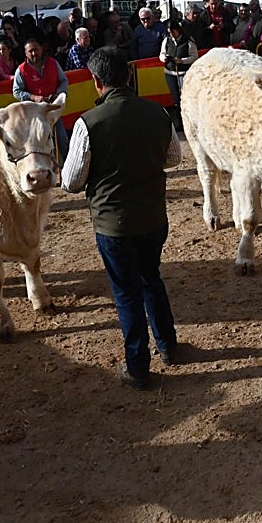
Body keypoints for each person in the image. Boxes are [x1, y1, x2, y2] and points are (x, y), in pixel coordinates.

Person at [60, 48, 182, 390]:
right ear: (129, 76)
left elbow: (71, 182)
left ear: (96, 82)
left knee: (127, 293)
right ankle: (168, 346)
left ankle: (138, 366)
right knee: (151, 280)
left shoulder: (88, 123)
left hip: (113, 225)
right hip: (153, 218)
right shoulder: (157, 112)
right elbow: (173, 158)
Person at [159, 20, 197, 130]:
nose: (172, 35)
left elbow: (194, 56)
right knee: (176, 100)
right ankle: (179, 122)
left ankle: (189, 121)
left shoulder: (188, 40)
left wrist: (182, 61)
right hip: (170, 73)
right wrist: (164, 58)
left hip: (183, 73)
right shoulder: (167, 40)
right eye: (169, 33)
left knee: (186, 98)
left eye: (173, 32)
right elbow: (161, 53)